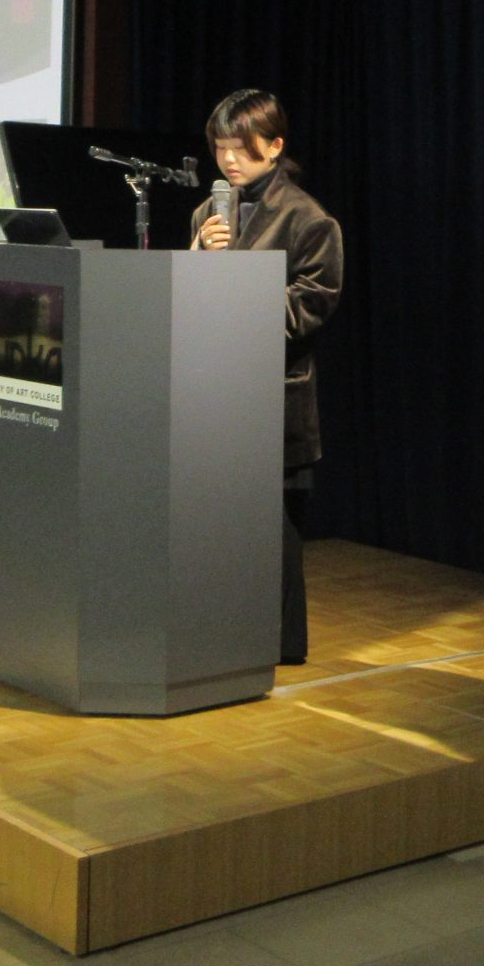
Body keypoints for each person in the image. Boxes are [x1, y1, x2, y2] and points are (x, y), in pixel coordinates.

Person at [189, 89, 343, 664]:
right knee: (217, 527)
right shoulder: (206, 216)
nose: (229, 160)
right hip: (215, 397)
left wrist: (233, 277)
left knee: (276, 532)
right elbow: (188, 303)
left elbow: (309, 309)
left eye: (241, 147)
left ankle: (279, 648)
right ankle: (223, 636)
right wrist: (197, 259)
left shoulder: (310, 219)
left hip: (275, 400)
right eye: (220, 148)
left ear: (275, 146)